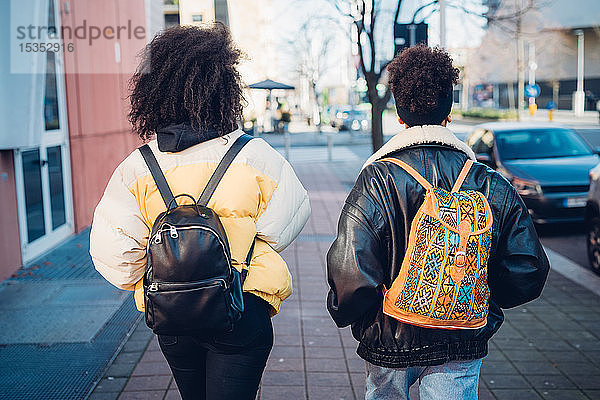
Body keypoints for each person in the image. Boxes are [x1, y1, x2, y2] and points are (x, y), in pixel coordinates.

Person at [89, 23, 310, 400]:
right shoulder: (254, 156)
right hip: (242, 306)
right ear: (225, 88)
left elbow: (117, 260)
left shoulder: (136, 168)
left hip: (173, 315)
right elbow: (283, 227)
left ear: (155, 90)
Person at [326, 45, 549, 400]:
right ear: (449, 112)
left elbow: (351, 273)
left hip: (389, 335)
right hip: (461, 338)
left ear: (399, 115)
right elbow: (529, 269)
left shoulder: (377, 180)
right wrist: (479, 300)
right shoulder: (489, 182)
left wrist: (353, 315)